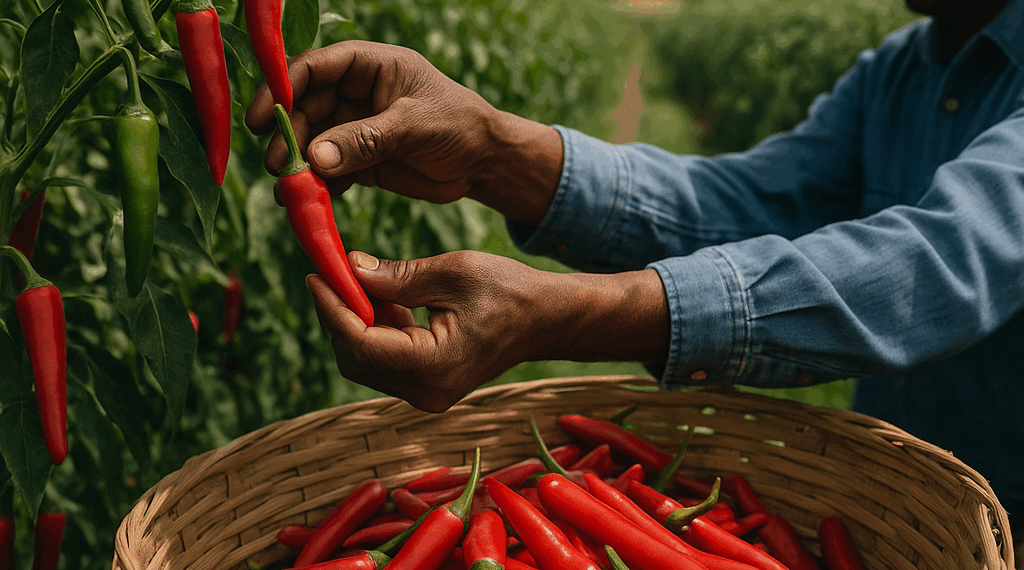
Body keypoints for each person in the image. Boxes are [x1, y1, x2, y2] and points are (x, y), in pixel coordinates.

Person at [246, 0, 1024, 559]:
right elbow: (746, 204)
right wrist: (491, 150)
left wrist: (568, 316)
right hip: (882, 514)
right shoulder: (901, 69)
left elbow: (940, 263)